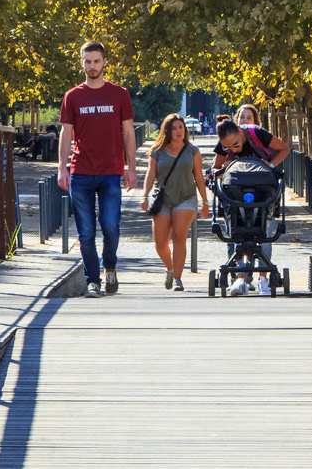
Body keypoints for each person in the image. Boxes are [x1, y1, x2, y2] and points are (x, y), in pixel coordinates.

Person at [58, 41, 138, 296]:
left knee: (111, 225)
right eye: (87, 61)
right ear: (81, 62)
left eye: (96, 61)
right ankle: (93, 279)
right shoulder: (73, 96)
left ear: (105, 62)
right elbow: (66, 133)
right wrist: (62, 168)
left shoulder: (119, 94)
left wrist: (132, 167)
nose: (92, 66)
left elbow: (128, 132)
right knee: (85, 233)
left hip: (111, 172)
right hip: (81, 172)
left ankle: (110, 268)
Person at [212, 119, 292, 295]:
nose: (232, 150)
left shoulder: (257, 134)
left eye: (235, 145)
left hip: (263, 192)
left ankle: (263, 278)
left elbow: (284, 148)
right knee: (237, 232)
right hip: (236, 194)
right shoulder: (225, 143)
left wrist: (270, 166)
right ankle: (240, 278)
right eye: (228, 148)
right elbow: (215, 169)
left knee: (265, 231)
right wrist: (222, 168)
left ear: (241, 132)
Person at [140, 114, 208, 292]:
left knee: (179, 237)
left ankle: (178, 277)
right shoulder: (157, 151)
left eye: (181, 127)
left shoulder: (192, 150)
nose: (179, 131)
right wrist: (145, 195)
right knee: (160, 243)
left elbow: (199, 177)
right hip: (162, 199)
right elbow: (150, 174)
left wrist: (205, 201)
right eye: (175, 128)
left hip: (186, 197)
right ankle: (170, 268)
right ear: (167, 130)